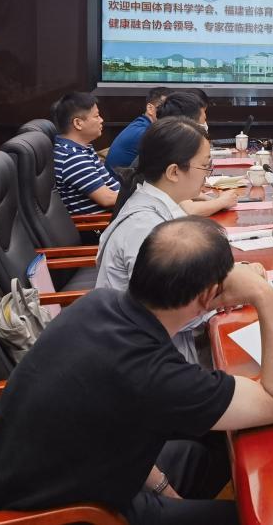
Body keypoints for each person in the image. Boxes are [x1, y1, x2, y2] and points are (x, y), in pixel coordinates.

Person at [0, 217, 273, 525]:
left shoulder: (98, 303)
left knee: (216, 442)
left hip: (47, 482)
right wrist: (264, 295)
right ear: (207, 295)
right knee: (251, 518)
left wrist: (162, 488)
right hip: (61, 516)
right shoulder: (155, 374)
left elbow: (116, 415)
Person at [98, 116, 235, 363]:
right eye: (205, 166)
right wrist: (230, 293)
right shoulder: (145, 227)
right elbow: (175, 314)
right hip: (144, 359)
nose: (207, 176)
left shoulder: (154, 204)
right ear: (173, 172)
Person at [154, 91, 235, 217]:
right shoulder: (167, 150)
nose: (205, 126)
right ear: (188, 124)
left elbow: (182, 198)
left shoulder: (161, 140)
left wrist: (209, 199)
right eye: (204, 165)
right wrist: (222, 201)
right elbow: (189, 209)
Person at [53, 92, 121, 215]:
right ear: (78, 123)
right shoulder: (72, 156)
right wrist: (143, 199)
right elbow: (107, 199)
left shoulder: (82, 148)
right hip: (100, 223)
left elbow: (110, 184)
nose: (101, 120)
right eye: (97, 116)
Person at [105, 87, 172, 173]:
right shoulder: (144, 132)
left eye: (171, 108)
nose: (169, 112)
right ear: (150, 108)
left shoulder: (141, 124)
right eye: (164, 107)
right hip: (118, 181)